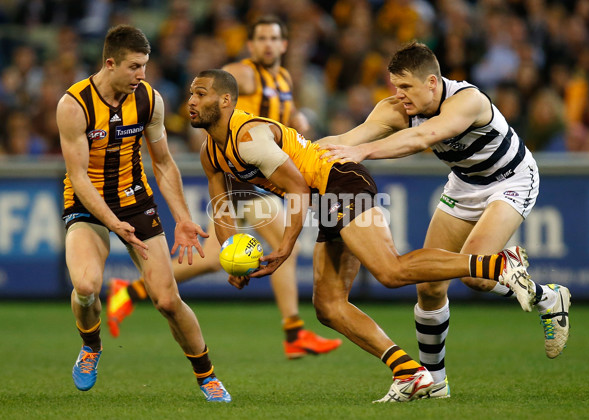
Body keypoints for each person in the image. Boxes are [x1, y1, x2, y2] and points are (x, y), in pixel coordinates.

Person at [188, 68, 535, 402]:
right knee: (328, 305)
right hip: (325, 194)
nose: (191, 100)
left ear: (225, 101)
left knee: (390, 270)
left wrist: (285, 246)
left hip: (339, 180)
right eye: (190, 93)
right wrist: (231, 258)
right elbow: (224, 205)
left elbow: (297, 188)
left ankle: (496, 265)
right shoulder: (211, 151)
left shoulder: (248, 137)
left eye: (200, 94)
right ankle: (409, 373)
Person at [320, 41, 571, 398]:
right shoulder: (394, 108)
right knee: (430, 285)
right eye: (395, 86)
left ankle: (549, 297)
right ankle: (435, 382)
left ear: (433, 83)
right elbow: (345, 139)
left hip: (510, 180)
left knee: (476, 278)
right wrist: (292, 154)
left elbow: (424, 135)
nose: (399, 95)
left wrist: (360, 153)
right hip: (465, 184)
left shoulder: (469, 100)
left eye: (406, 87)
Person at [107, 15, 342, 360]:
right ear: (251, 45)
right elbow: (219, 87)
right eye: (261, 38)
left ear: (284, 45)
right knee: (281, 247)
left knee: (219, 257)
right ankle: (294, 331)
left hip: (262, 170)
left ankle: (130, 291)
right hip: (241, 169)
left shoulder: (283, 78)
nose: (267, 45)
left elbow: (281, 117)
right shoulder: (244, 73)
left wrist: (297, 121)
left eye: (274, 39)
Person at [56, 25, 231, 402]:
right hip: (88, 203)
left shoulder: (150, 100)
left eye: (145, 66)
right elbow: (79, 177)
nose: (142, 75)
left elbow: (165, 164)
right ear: (110, 63)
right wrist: (110, 220)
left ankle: (207, 376)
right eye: (135, 67)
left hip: (134, 199)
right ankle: (91, 347)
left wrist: (183, 217)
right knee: (86, 287)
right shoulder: (74, 105)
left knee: (167, 300)